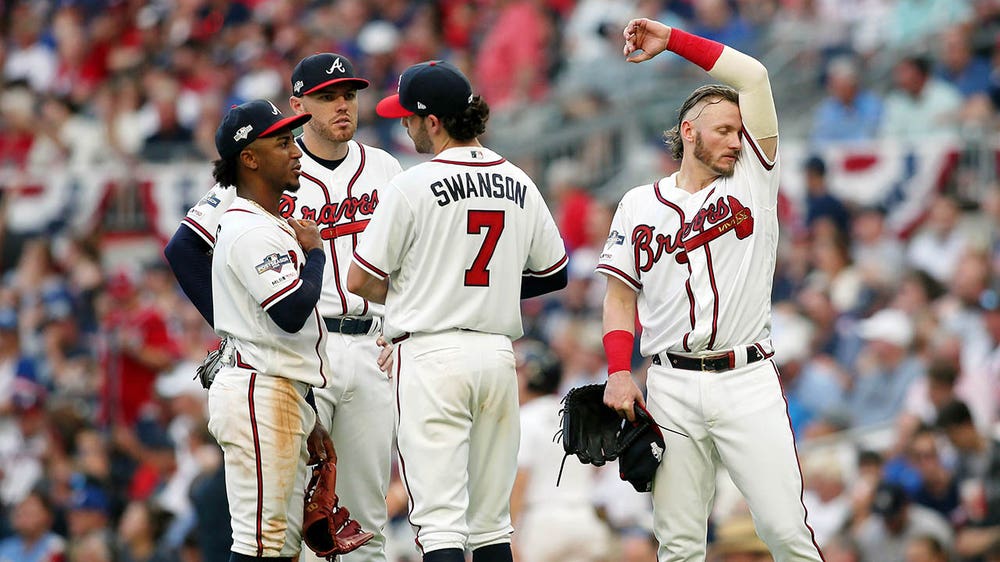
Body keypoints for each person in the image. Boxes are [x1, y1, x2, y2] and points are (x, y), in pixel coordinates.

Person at [597, 19, 824, 561]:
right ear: (688, 132)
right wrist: (619, 371)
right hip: (670, 383)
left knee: (785, 531)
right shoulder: (637, 203)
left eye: (739, 130)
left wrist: (672, 40)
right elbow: (620, 297)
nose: (735, 139)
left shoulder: (753, 177)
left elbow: (755, 76)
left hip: (746, 377)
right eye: (723, 129)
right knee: (678, 545)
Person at [164, 53, 402, 562]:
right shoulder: (265, 170)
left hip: (368, 344)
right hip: (299, 351)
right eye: (327, 97)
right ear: (298, 106)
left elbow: (412, 259)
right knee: (288, 526)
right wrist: (236, 330)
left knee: (362, 524)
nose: (342, 105)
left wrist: (402, 329)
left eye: (348, 95)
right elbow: (184, 249)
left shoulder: (384, 167)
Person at [346, 60, 568, 562]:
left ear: (433, 121)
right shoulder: (518, 179)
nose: (405, 125)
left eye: (409, 116)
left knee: (440, 523)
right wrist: (485, 292)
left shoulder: (412, 183)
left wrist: (426, 292)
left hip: (431, 356)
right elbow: (554, 272)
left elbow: (358, 280)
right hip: (497, 355)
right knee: (492, 524)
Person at [205, 99, 336, 561]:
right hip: (259, 391)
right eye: (282, 143)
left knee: (279, 545)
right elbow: (291, 311)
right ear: (250, 158)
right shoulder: (249, 229)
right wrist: (315, 254)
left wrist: (307, 408)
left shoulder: (265, 223)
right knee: (262, 542)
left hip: (276, 388)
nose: (297, 150)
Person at [509, 339, 610, 562]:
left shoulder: (525, 418)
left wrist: (510, 534)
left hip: (542, 523)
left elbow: (520, 481)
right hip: (585, 519)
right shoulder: (574, 416)